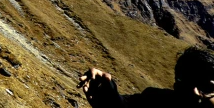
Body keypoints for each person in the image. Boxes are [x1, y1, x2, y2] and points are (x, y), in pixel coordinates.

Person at [79, 47, 214, 106]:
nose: (195, 92)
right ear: (176, 86)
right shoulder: (158, 100)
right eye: (188, 85)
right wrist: (106, 91)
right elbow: (123, 105)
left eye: (204, 87)